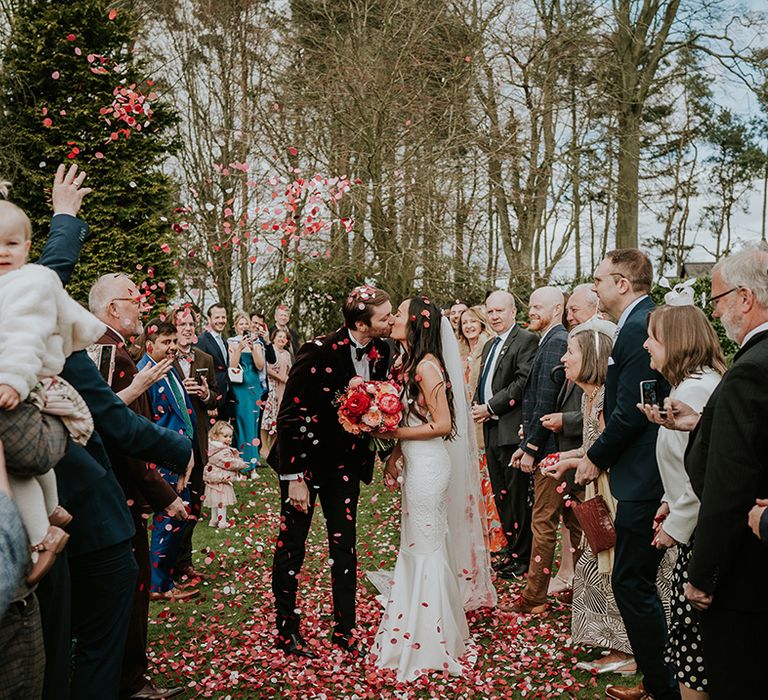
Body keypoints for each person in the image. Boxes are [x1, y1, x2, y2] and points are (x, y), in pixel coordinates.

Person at [33, 164, 193, 700]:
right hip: (86, 508)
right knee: (95, 638)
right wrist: (179, 451)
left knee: (54, 641)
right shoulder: (59, 340)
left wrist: (65, 220)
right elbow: (113, 420)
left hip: (47, 512)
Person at [368, 298, 496, 682]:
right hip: (414, 461)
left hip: (430, 466)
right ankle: (416, 625)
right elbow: (412, 417)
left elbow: (442, 425)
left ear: (416, 322)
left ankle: (431, 636)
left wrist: (393, 434)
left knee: (426, 546)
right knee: (416, 544)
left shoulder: (427, 367)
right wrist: (393, 456)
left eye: (400, 313)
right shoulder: (406, 363)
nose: (392, 319)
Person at [268, 285, 392, 659]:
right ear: (360, 322)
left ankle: (345, 630)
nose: (389, 322)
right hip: (305, 466)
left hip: (346, 466)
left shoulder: (383, 350)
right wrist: (294, 478)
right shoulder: (317, 350)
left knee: (345, 547)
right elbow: (288, 415)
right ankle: (286, 629)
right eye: (384, 317)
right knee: (293, 546)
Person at [576, 249, 678, 700]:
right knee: (633, 580)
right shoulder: (637, 323)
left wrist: (594, 456)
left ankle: (664, 685)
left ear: (622, 283)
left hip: (643, 473)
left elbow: (630, 412)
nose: (594, 287)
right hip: (639, 471)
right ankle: (660, 679)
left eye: (598, 280)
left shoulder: (639, 327)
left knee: (631, 581)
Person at [89, 274, 192, 698]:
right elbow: (120, 436)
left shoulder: (103, 347)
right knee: (130, 594)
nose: (141, 308)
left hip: (110, 492)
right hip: (116, 494)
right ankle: (131, 684)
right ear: (114, 308)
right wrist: (164, 493)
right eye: (134, 300)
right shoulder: (112, 354)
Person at [0, 183, 106, 584]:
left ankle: (40, 537)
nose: (2, 252)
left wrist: (12, 379)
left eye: (11, 243)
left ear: (27, 246)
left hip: (23, 383)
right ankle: (52, 511)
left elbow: (24, 336)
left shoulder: (29, 281)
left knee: (21, 466)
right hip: (30, 381)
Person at [680, 245, 768, 699]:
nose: (715, 311)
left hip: (746, 572)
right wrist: (702, 424)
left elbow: (729, 484)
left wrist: (702, 574)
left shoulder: (750, 369)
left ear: (745, 298)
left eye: (716, 299)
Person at [639, 294, 726, 700]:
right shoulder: (694, 384)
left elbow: (704, 478)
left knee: (695, 655)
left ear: (674, 340)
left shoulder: (693, 392)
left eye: (652, 337)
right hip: (694, 524)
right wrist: (669, 501)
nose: (645, 345)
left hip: (701, 537)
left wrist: (674, 525)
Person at [506, 287, 570, 610]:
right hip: (547, 445)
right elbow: (536, 401)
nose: (530, 310)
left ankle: (534, 598)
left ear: (557, 308)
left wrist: (531, 447)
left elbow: (546, 399)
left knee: (543, 522)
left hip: (552, 451)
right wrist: (524, 440)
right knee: (571, 521)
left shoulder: (557, 341)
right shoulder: (548, 340)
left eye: (536, 305)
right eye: (529, 305)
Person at [471, 291, 538, 579]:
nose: (495, 316)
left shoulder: (525, 340)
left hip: (512, 429)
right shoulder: (488, 346)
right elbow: (484, 381)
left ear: (513, 312)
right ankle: (511, 552)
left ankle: (523, 557)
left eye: (500, 311)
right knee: (501, 496)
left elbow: (522, 383)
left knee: (517, 496)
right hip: (492, 429)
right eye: (491, 311)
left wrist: (489, 407)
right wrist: (477, 403)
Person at [540, 283, 599, 597]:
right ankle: (571, 574)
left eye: (574, 309)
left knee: (589, 524)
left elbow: (596, 418)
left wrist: (566, 422)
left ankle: (583, 582)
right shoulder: (576, 343)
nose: (569, 315)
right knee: (571, 521)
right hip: (572, 451)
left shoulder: (598, 350)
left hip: (589, 458)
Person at [136, 320, 198, 603]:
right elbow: (146, 424)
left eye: (174, 342)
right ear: (150, 345)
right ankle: (158, 585)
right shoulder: (144, 374)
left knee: (178, 520)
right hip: (164, 462)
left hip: (181, 458)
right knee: (167, 521)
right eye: (166, 342)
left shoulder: (169, 370)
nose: (172, 347)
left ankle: (167, 578)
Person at [169, 305, 219, 582]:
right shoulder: (165, 356)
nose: (188, 329)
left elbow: (216, 399)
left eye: (191, 325)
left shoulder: (205, 358)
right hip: (174, 441)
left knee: (195, 505)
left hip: (198, 441)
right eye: (182, 325)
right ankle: (168, 564)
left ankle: (184, 561)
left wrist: (205, 393)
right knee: (175, 503)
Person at [458, 306, 506, 553]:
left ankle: (495, 538)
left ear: (481, 322)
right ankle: (475, 536)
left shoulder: (487, 347)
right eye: (464, 322)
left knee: (487, 480)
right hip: (463, 423)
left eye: (472, 321)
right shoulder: (460, 351)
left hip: (481, 420)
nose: (468, 326)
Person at [228, 310, 266, 470]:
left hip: (254, 388)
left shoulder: (257, 342)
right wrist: (239, 348)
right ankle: (242, 463)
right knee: (241, 422)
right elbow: (232, 365)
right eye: (241, 323)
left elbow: (260, 365)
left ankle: (253, 461)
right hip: (239, 387)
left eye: (246, 324)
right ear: (236, 327)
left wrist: (253, 348)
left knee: (253, 423)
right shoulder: (231, 342)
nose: (244, 326)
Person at [203, 421, 245, 528]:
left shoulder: (211, 448)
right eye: (225, 436)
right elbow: (227, 463)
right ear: (215, 436)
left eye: (230, 436)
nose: (228, 439)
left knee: (215, 501)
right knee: (222, 502)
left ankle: (214, 520)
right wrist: (240, 463)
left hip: (213, 478)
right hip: (221, 479)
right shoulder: (221, 450)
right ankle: (222, 522)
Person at [196, 303, 233, 416]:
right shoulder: (202, 341)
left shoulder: (224, 342)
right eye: (217, 317)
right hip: (212, 401)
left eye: (223, 317)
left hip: (225, 398)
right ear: (209, 318)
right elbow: (201, 373)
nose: (221, 320)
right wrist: (210, 403)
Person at [261, 328, 293, 458]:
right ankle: (264, 447)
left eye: (284, 337)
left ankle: (273, 448)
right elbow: (266, 367)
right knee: (267, 417)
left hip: (282, 389)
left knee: (277, 417)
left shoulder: (287, 354)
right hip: (271, 386)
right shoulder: (270, 350)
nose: (281, 339)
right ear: (273, 338)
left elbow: (289, 370)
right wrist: (281, 377)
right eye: (279, 336)